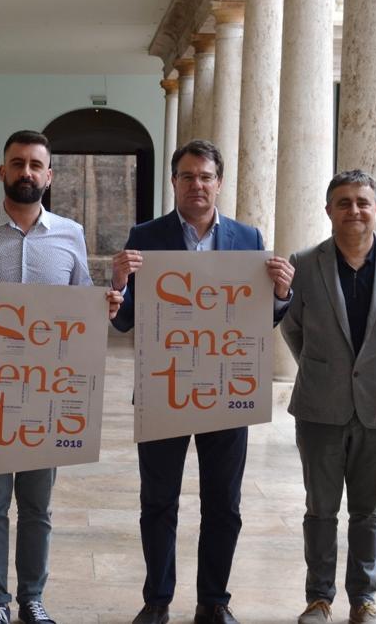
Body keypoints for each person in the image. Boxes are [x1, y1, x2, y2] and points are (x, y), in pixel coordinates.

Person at [0, 130, 122, 624]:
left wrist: (103, 305)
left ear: (48, 176)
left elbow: (82, 300)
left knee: (38, 506)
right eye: (17, 163)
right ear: (2, 171)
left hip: (48, 393)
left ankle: (32, 599)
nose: (26, 172)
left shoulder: (70, 234)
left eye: (35, 165)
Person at [110, 139, 294, 624]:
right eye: (187, 176)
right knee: (158, 501)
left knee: (224, 504)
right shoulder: (145, 237)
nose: (197, 185)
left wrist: (279, 293)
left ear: (219, 182)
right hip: (163, 388)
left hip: (226, 391)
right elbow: (124, 321)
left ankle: (214, 601)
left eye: (206, 176)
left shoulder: (248, 239)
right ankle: (157, 599)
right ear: (174, 182)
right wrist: (118, 284)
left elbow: (262, 321)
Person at [280, 170, 376, 624]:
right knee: (320, 510)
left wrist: (369, 369)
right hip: (320, 406)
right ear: (328, 211)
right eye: (343, 202)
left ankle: (363, 599)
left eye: (363, 202)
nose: (354, 210)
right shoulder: (304, 264)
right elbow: (293, 327)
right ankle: (318, 598)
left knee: (368, 512)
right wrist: (330, 369)